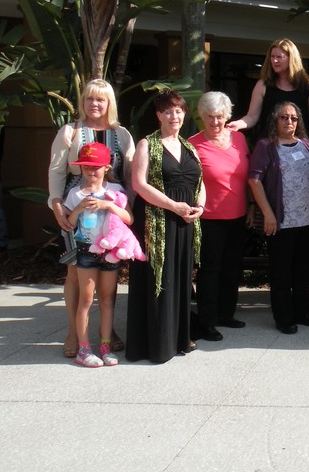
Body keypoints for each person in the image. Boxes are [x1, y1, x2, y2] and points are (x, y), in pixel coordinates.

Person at [48, 79, 134, 358]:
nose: (94, 104)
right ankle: (74, 332)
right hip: (75, 208)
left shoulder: (121, 134)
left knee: (108, 273)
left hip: (110, 211)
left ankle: (107, 331)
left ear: (109, 103)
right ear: (82, 101)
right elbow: (56, 171)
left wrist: (128, 210)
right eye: (89, 98)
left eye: (100, 99)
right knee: (75, 273)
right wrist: (57, 205)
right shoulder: (70, 131)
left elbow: (129, 174)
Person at [127, 90, 205, 363]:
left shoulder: (189, 147)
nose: (174, 116)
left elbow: (200, 183)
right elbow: (139, 185)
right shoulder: (147, 144)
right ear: (159, 115)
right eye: (168, 111)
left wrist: (200, 207)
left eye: (179, 111)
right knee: (158, 279)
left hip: (184, 222)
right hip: (157, 222)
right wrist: (173, 206)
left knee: (180, 279)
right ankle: (157, 344)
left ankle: (179, 338)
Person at [249, 101, 309, 335]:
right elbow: (254, 180)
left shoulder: (305, 143)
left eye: (293, 118)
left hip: (307, 219)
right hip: (280, 221)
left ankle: (303, 312)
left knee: (303, 270)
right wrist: (268, 213)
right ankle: (284, 317)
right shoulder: (266, 146)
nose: (289, 121)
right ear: (275, 120)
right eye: (284, 117)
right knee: (281, 272)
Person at [188, 92, 250, 342]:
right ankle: (207, 321)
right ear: (202, 117)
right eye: (209, 117)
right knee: (209, 271)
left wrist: (252, 205)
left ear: (227, 116)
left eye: (220, 116)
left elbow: (248, 176)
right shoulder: (192, 144)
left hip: (238, 214)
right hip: (209, 218)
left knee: (232, 268)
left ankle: (226, 314)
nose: (215, 122)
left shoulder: (240, 139)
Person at [64, 142, 132, 367]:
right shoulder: (75, 193)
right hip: (86, 250)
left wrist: (108, 205)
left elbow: (129, 218)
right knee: (85, 299)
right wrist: (79, 208)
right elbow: (69, 224)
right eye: (86, 167)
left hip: (109, 250)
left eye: (96, 167)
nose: (91, 171)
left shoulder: (115, 190)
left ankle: (105, 346)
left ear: (106, 167)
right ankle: (84, 349)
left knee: (106, 299)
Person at [228, 38, 309, 143]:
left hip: (300, 145)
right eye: (272, 57)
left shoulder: (306, 84)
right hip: (271, 144)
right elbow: (252, 116)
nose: (274, 61)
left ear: (291, 58)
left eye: (279, 57)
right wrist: (238, 124)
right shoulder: (263, 84)